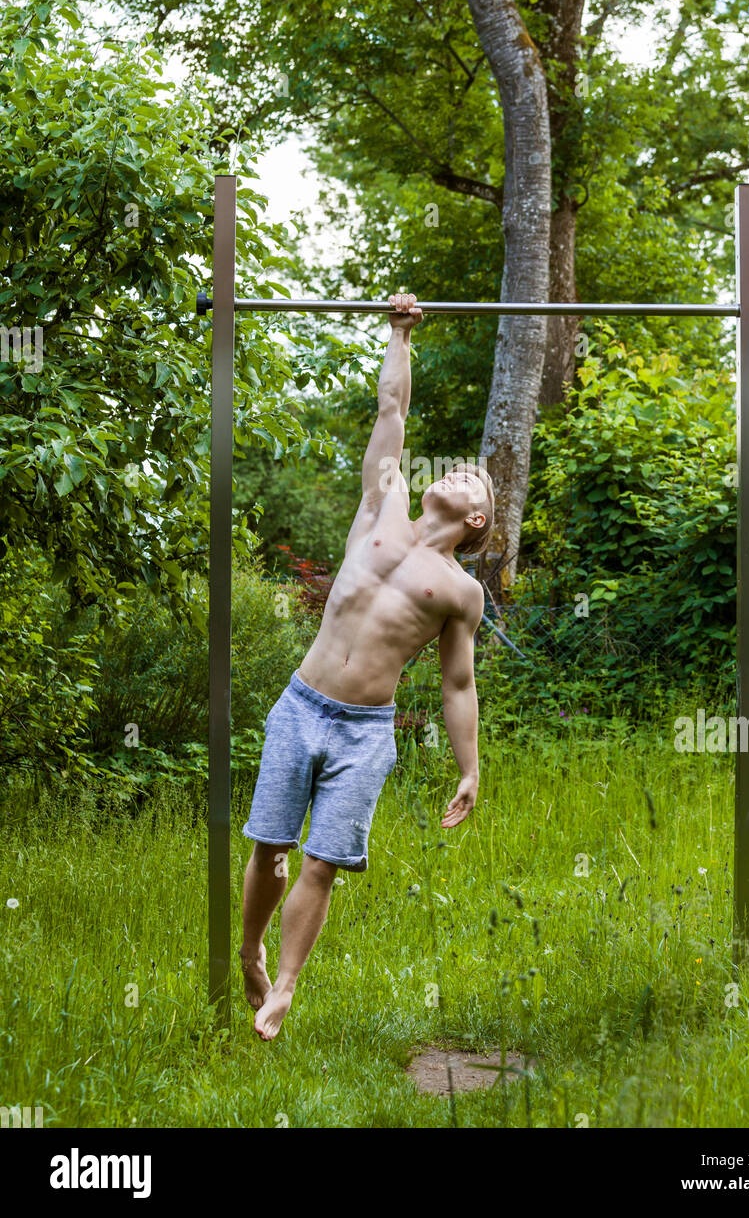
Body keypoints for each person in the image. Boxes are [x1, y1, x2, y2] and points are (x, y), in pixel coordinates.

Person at [239, 292, 494, 1040]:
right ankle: (251, 951)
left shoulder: (460, 589)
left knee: (321, 864)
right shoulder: (379, 508)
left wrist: (469, 766)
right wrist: (399, 333)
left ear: (476, 518)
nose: (455, 472)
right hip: (301, 704)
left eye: (472, 478)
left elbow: (457, 683)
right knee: (271, 848)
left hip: (364, 731)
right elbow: (391, 413)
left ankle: (285, 986)